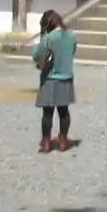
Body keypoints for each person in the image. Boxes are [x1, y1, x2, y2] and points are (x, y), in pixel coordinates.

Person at [32, 10, 77, 153]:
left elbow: (37, 55)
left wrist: (41, 38)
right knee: (64, 112)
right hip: (66, 77)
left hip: (50, 79)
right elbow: (72, 52)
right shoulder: (71, 35)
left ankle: (46, 142)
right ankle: (63, 139)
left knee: (47, 113)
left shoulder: (49, 38)